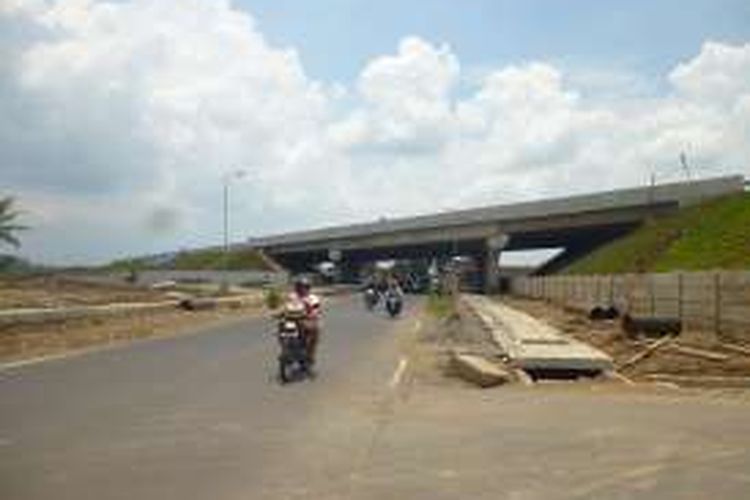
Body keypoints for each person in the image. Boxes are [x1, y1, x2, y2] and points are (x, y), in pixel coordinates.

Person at [284, 276, 322, 366]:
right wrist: (279, 313)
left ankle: (310, 355)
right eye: (300, 286)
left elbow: (316, 308)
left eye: (304, 287)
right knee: (281, 328)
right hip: (291, 319)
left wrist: (313, 314)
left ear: (308, 288)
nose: (302, 289)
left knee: (315, 330)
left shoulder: (313, 298)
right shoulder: (292, 296)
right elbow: (285, 306)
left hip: (306, 319)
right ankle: (286, 348)